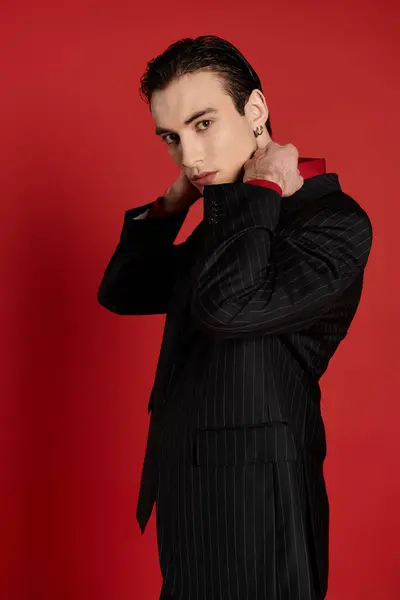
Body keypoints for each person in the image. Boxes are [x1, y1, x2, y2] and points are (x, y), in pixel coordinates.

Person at [97, 35, 373, 600]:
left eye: (202, 125)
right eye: (172, 138)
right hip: (190, 495)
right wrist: (175, 202)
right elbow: (124, 290)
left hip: (258, 508)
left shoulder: (334, 224)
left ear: (254, 110)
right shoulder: (226, 220)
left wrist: (265, 185)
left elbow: (228, 309)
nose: (189, 156)